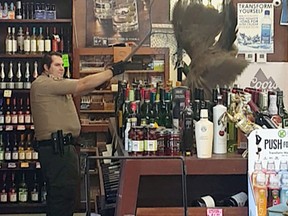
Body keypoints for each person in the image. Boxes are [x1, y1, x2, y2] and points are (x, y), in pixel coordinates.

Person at [30, 51, 127, 216]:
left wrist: (100, 81)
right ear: (46, 68)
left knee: (66, 196)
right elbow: (82, 84)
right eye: (57, 65)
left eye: (63, 65)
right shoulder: (43, 84)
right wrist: (111, 71)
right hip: (57, 150)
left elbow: (83, 88)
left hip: (63, 148)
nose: (62, 69)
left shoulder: (57, 86)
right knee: (61, 197)